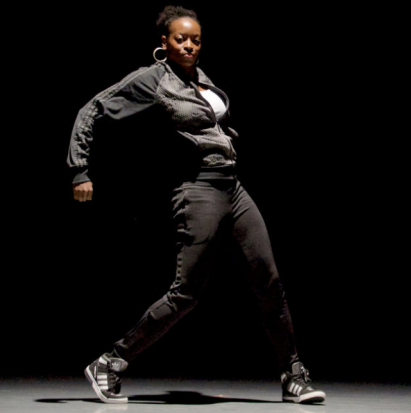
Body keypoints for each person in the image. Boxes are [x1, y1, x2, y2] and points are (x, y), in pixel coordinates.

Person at [68, 5, 325, 405]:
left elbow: (208, 124)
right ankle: (111, 362)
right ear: (163, 43)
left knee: (269, 279)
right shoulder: (152, 79)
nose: (189, 45)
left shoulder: (201, 79)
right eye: (180, 38)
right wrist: (79, 171)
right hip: (197, 189)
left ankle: (293, 375)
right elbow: (93, 110)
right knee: (185, 293)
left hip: (232, 186)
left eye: (196, 39)